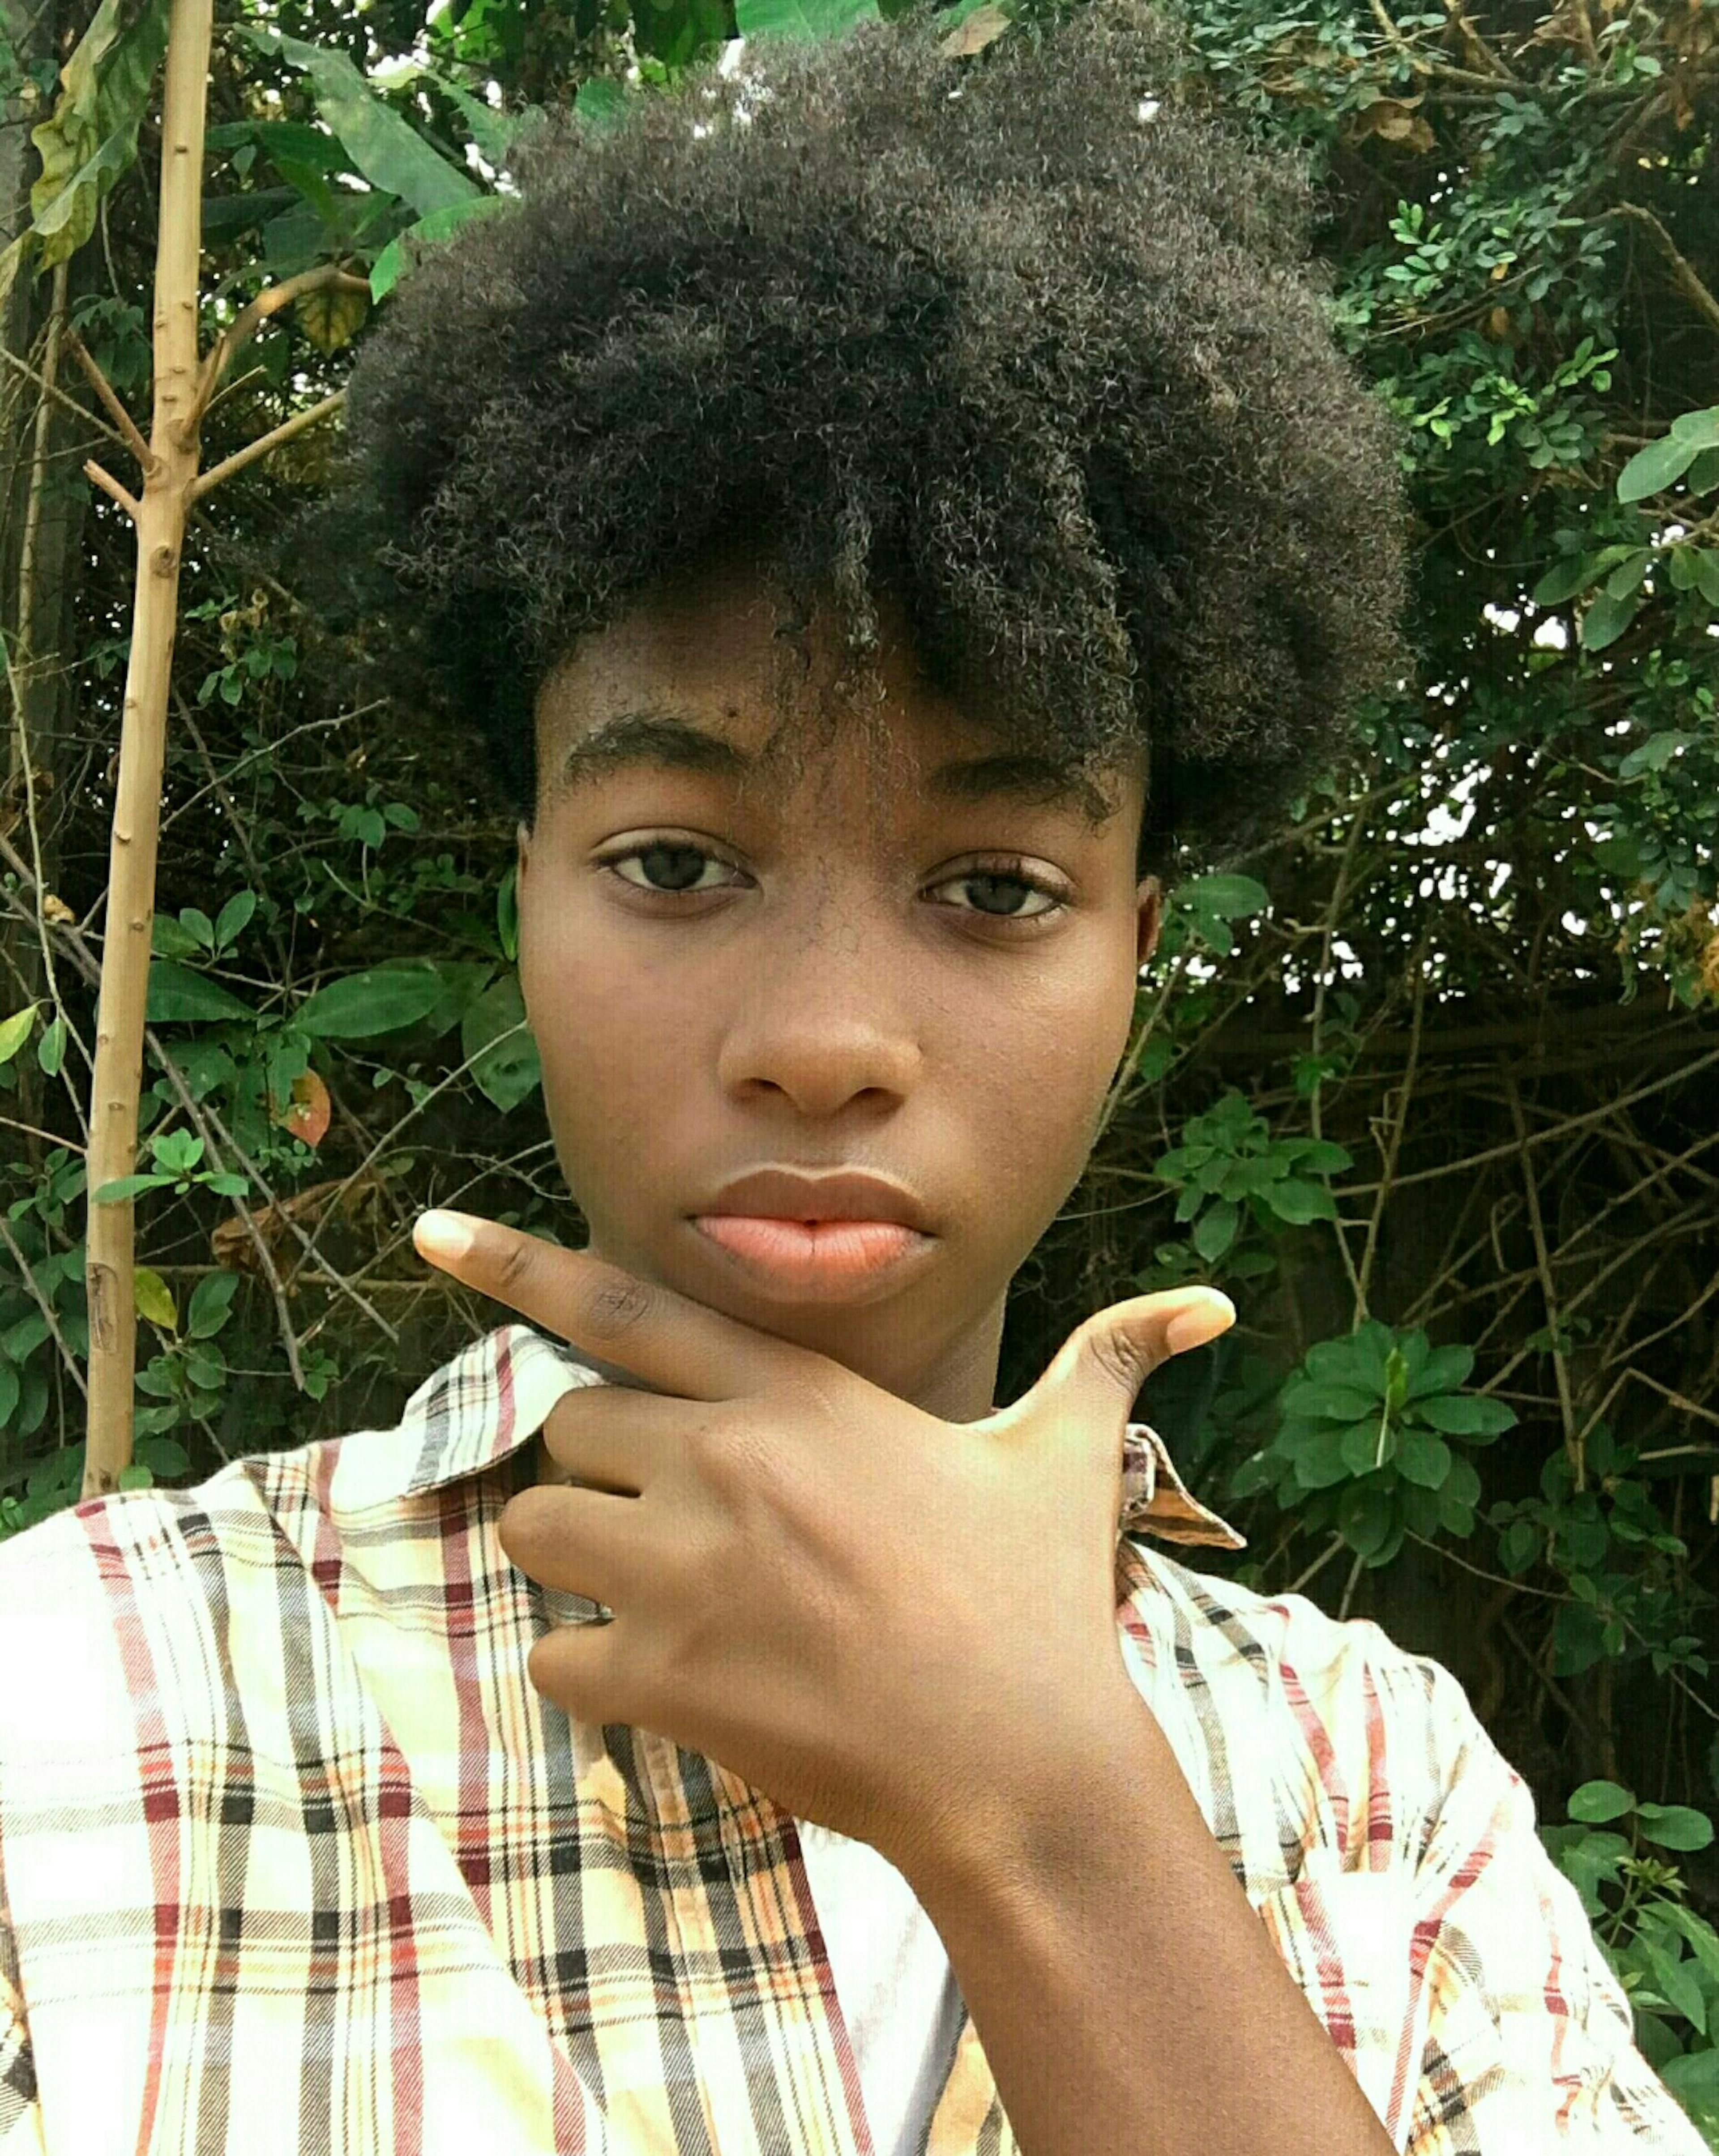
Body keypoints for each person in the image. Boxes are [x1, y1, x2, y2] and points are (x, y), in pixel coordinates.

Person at [0, 2, 1705, 2149]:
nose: (823, 1041)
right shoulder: (81, 1699)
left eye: (993, 885)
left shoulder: (1383, 1785)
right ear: (522, 888)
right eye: (674, 861)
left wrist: (1049, 1804)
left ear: (1137, 949)